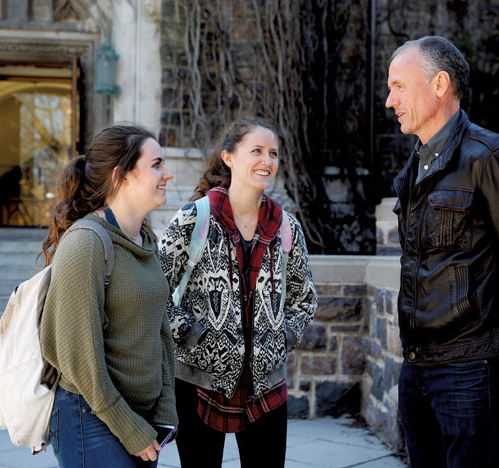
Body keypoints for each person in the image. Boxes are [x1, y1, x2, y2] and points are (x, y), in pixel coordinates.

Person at [385, 35, 499, 468]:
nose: (390, 100)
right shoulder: (413, 169)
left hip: (473, 373)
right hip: (417, 371)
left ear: (439, 83)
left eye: (399, 86)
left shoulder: (492, 159)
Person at [159, 117, 317, 468]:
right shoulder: (193, 219)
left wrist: (282, 337)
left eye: (273, 153)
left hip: (266, 386)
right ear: (229, 157)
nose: (267, 161)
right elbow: (155, 290)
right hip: (198, 381)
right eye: (256, 151)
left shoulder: (287, 228)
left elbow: (304, 298)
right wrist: (191, 334)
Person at [40, 125, 178, 467]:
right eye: (157, 164)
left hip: (140, 419)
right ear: (122, 175)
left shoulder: (145, 239)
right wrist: (129, 428)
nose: (168, 174)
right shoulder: (86, 243)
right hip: (89, 417)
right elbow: (77, 358)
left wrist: (164, 410)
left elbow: (160, 330)